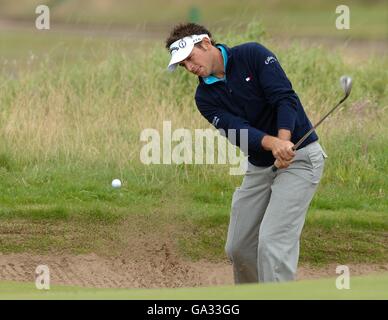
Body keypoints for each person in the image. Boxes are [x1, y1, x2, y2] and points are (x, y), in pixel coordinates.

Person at [165, 23, 327, 283]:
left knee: (272, 242)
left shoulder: (252, 55)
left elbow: (285, 99)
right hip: (261, 165)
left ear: (206, 43)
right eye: (183, 65)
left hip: (301, 158)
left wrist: (284, 142)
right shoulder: (204, 97)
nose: (190, 67)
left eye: (190, 58)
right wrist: (274, 146)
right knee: (238, 247)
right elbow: (238, 129)